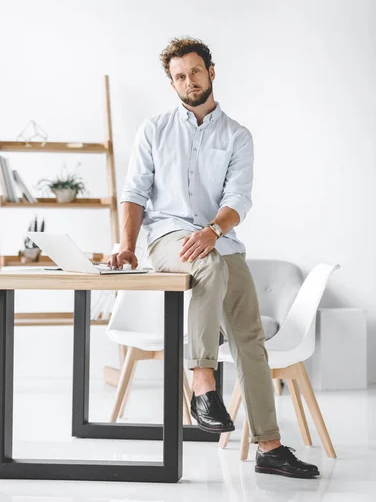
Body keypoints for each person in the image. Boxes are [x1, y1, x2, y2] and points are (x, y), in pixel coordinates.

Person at [108, 36, 319, 479]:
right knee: (207, 264)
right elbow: (134, 193)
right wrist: (126, 245)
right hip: (167, 237)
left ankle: (269, 446)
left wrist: (213, 230)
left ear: (211, 72)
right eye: (180, 76)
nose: (189, 81)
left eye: (195, 72)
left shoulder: (237, 136)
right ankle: (201, 380)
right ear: (172, 82)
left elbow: (239, 198)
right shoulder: (154, 130)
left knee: (250, 341)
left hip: (220, 240)